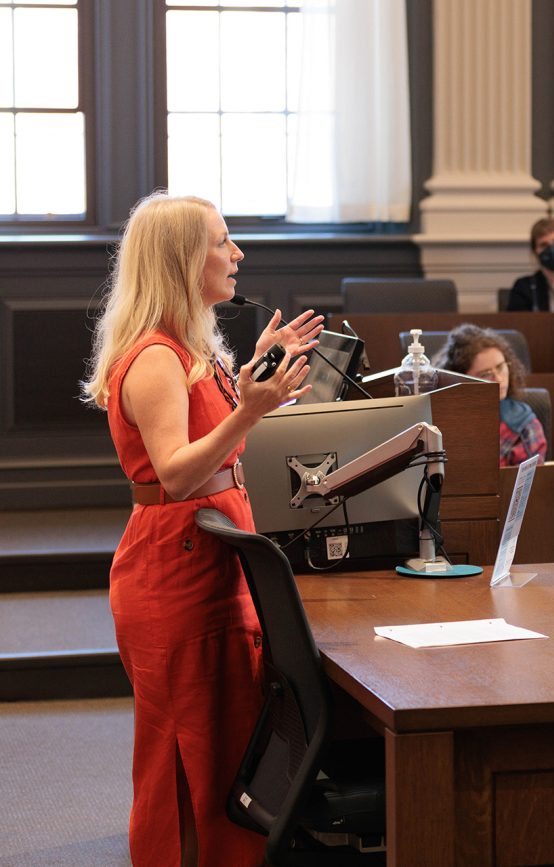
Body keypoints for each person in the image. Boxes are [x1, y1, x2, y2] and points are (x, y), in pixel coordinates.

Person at [81, 192, 323, 866]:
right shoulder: (156, 357)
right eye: (222, 241)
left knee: (222, 749)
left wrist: (260, 380)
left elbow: (217, 449)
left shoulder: (190, 346)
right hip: (177, 571)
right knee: (183, 757)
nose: (236, 253)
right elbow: (179, 473)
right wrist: (249, 412)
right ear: (185, 259)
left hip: (209, 560)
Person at [433, 324, 547, 467]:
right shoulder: (439, 423)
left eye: (500, 367)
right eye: (486, 374)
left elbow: (528, 484)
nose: (499, 379)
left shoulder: (523, 423)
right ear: (461, 379)